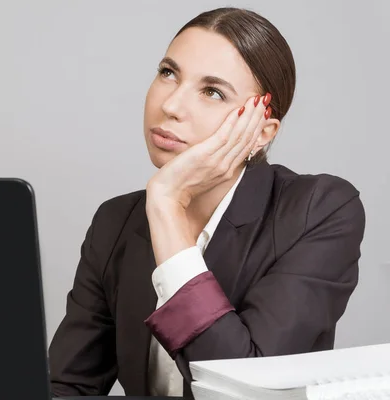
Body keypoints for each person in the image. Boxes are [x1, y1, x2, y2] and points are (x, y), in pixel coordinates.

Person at [48, 7, 366, 398]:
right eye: (168, 73)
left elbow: (244, 389)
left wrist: (166, 206)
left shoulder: (317, 210)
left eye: (212, 91)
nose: (172, 106)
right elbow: (67, 386)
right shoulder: (114, 221)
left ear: (261, 130)